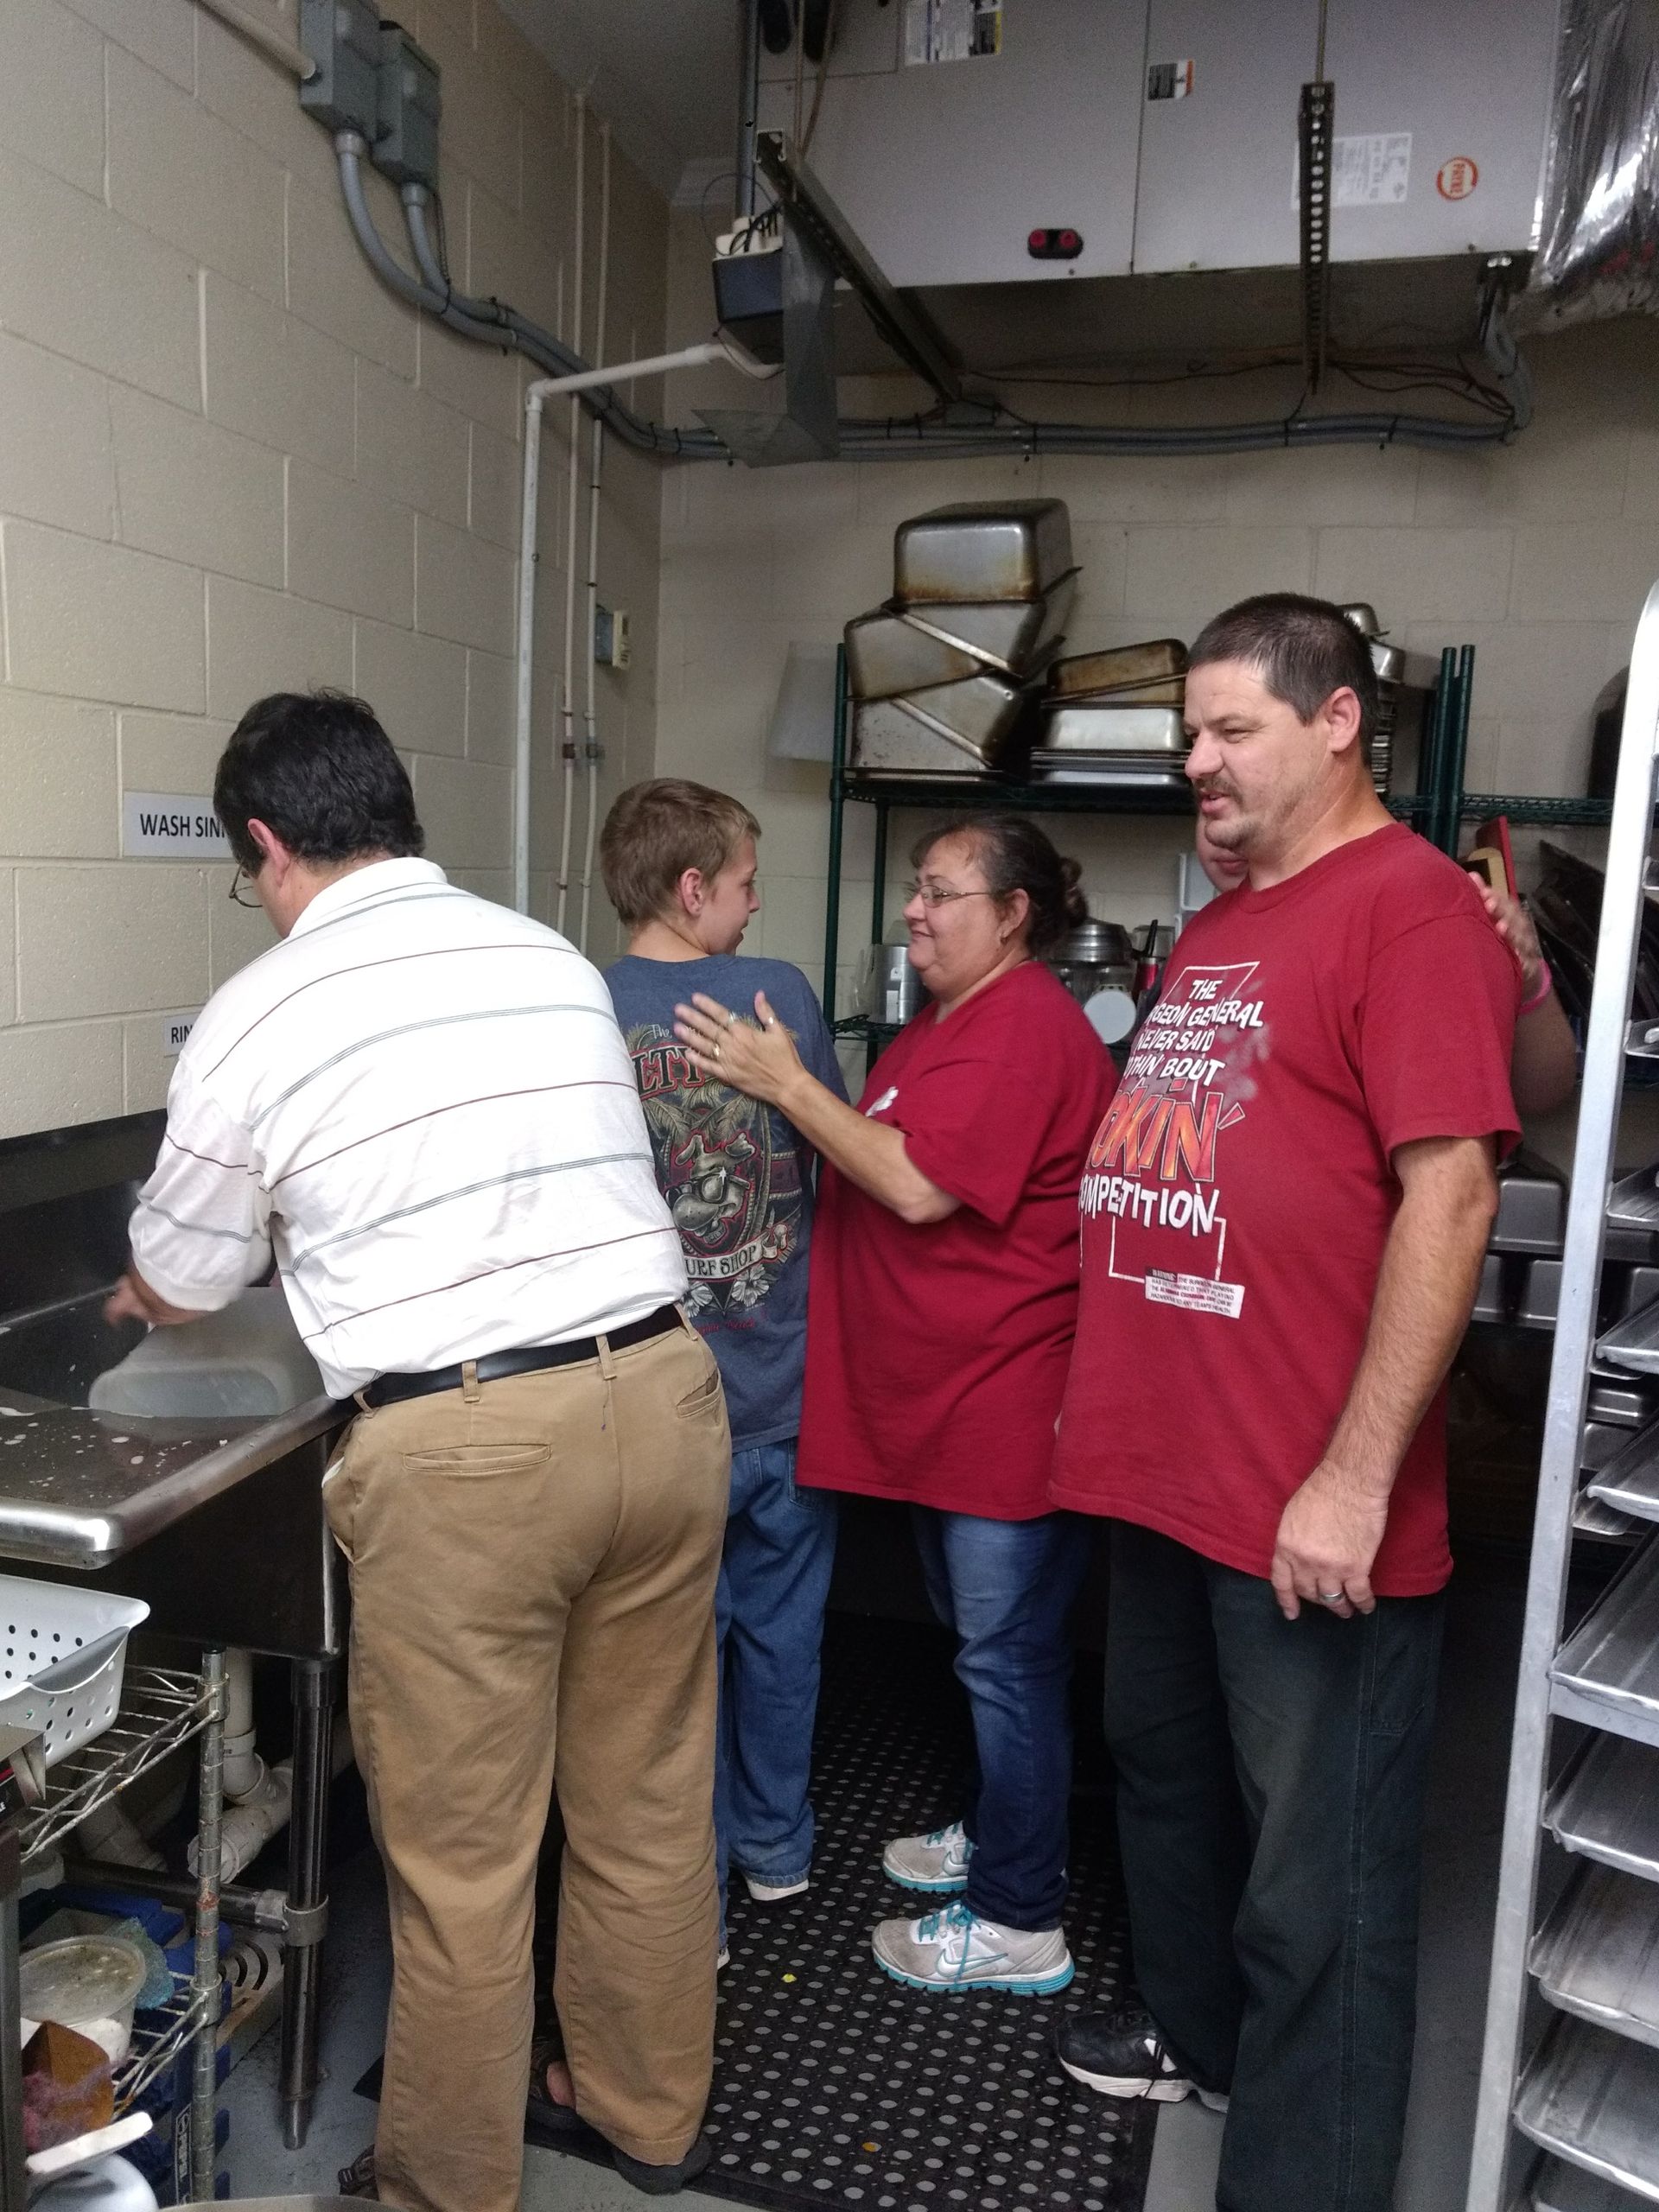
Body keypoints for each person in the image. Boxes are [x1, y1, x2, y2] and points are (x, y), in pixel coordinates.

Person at [107, 693, 729, 2212]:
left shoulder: (265, 1008)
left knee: (462, 1863)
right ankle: (649, 2112)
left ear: (265, 844)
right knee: (643, 1797)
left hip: (472, 1450)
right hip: (664, 1398)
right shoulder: (542, 957)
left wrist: (143, 1290)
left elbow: (184, 1276)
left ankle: (443, 2186)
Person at [1050, 595, 1522, 2212]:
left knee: (1319, 1891)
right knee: (1170, 1790)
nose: (1199, 761)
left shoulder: (1411, 913)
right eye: (1191, 732)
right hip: (1166, 1474)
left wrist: (1354, 1478)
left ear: (1336, 726)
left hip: (1304, 1498)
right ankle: (1205, 2043)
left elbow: (1447, 1196)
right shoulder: (1225, 923)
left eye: (1231, 728)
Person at [673, 816, 1116, 1997]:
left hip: (1003, 1405)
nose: (913, 911)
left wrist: (782, 1083)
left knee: (1007, 1661)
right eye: (915, 889)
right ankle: (1000, 1833)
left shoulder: (1026, 1026)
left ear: (1014, 911)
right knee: (986, 1651)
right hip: (941, 1406)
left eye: (941, 891)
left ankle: (1022, 1916)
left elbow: (916, 1185)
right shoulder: (950, 1018)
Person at [600, 779, 843, 1938]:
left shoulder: (588, 1006)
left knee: (664, 1665)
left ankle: (682, 1879)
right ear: (694, 888)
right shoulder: (778, 992)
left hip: (658, 1411)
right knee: (782, 1640)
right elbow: (841, 1151)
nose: (754, 907)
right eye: (744, 884)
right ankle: (776, 1849)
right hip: (785, 1389)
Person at [1196, 813, 1578, 1112]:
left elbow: (1542, 1094)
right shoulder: (1195, 949)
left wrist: (1527, 978)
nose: (1227, 837)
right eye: (1210, 810)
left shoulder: (1381, 937)